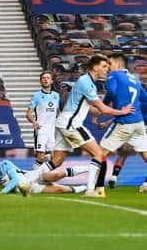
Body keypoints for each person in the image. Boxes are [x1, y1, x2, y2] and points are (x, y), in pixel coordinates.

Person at [38, 54, 134, 197]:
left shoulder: (86, 81)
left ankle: (26, 180)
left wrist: (98, 114)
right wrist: (122, 111)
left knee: (57, 160)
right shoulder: (87, 83)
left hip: (63, 122)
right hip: (71, 124)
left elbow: (91, 107)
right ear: (95, 67)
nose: (107, 69)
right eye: (104, 66)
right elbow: (103, 108)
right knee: (98, 154)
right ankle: (90, 190)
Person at [98, 53, 147, 193]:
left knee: (100, 153)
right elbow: (145, 98)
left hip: (124, 121)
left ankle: (97, 186)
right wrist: (135, 108)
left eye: (109, 64)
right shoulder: (135, 79)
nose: (107, 67)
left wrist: (106, 108)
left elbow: (111, 92)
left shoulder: (114, 76)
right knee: (144, 154)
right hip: (138, 123)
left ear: (118, 65)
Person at [0, 154, 87, 196]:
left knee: (57, 175)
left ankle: (91, 169)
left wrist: (3, 192)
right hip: (29, 188)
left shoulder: (5, 164)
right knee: (60, 190)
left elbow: (15, 179)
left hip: (32, 177)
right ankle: (85, 187)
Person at [26, 71, 60, 169]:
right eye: (43, 78)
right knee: (40, 157)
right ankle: (33, 178)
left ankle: (47, 178)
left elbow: (57, 112)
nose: (45, 80)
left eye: (48, 78)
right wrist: (34, 122)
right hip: (41, 129)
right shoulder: (37, 96)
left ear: (52, 81)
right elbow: (28, 114)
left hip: (52, 130)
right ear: (40, 81)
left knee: (53, 157)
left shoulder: (56, 95)